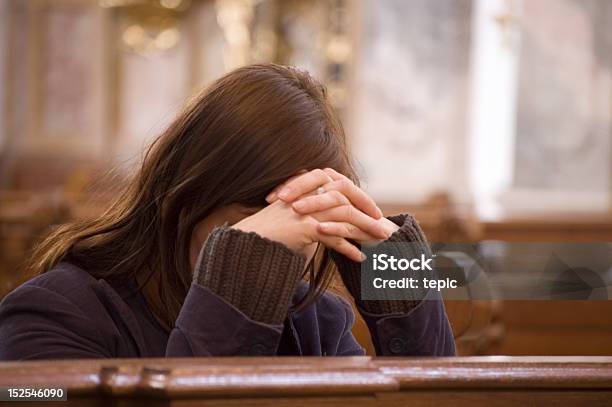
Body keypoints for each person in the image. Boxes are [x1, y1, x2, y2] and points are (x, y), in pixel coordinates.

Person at [0, 64, 455, 359]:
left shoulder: (313, 321)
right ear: (184, 195)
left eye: (293, 238)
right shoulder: (56, 310)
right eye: (243, 230)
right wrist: (239, 271)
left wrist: (398, 274)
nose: (271, 259)